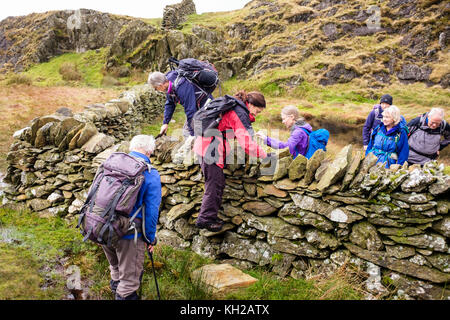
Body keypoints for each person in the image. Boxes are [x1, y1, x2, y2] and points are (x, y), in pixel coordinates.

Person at [193, 91, 273, 232]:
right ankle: (205, 219)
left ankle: (209, 217)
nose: (257, 114)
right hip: (210, 148)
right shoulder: (239, 112)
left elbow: (226, 127)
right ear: (251, 104)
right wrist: (265, 156)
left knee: (217, 182)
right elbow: (246, 142)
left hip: (207, 144)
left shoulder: (235, 106)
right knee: (214, 184)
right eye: (257, 111)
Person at [102, 135, 161, 300]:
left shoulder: (111, 165)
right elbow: (151, 212)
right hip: (128, 235)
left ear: (131, 147)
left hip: (102, 226)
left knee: (115, 269)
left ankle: (115, 293)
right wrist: (150, 239)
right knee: (128, 284)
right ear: (150, 151)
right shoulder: (150, 174)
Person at [148, 70, 213, 137]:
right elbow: (170, 103)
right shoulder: (170, 84)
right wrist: (165, 123)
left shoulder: (181, 86)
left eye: (156, 88)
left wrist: (193, 134)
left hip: (206, 106)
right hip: (197, 106)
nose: (156, 90)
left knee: (192, 133)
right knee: (188, 132)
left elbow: (190, 110)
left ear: (160, 85)